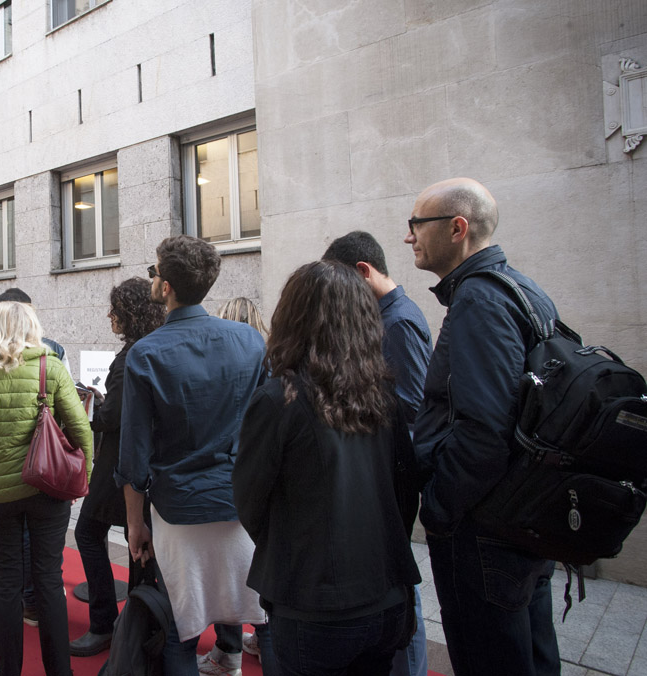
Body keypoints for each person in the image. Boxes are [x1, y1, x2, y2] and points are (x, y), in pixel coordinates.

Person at [233, 260, 421, 676]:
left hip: (316, 605)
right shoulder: (382, 392)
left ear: (292, 317)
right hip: (385, 593)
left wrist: (293, 544)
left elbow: (250, 500)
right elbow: (406, 490)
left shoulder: (280, 398)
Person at [407, 178, 560, 676]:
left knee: (492, 658)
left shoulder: (480, 300)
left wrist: (439, 510)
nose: (409, 236)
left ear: (457, 228)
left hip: (484, 529)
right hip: (515, 516)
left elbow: (483, 430)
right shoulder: (518, 287)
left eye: (416, 224)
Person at [115, 235, 269, 676]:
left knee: (179, 629)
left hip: (179, 510)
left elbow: (134, 456)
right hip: (239, 503)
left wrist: (134, 523)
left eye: (154, 271)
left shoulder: (146, 353)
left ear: (165, 286)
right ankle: (231, 656)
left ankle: (226, 655)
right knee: (257, 611)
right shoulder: (250, 341)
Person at [0, 301, 93, 676]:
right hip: (47, 489)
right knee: (49, 580)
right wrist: (87, 476)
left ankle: (7, 671)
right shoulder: (50, 368)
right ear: (32, 327)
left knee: (7, 583)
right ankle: (59, 671)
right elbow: (81, 429)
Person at [323, 230, 433, 676]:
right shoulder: (385, 318)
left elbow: (410, 408)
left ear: (363, 273)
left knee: (401, 588)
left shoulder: (399, 322)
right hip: (382, 474)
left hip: (392, 474)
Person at [70, 278, 165, 658]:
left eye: (115, 310)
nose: (110, 317)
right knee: (140, 547)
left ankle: (105, 624)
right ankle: (140, 629)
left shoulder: (131, 357)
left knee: (91, 533)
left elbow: (117, 416)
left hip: (120, 467)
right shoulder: (156, 346)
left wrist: (93, 406)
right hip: (145, 465)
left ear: (129, 313)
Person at [213, 297, 274, 672]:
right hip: (262, 473)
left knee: (228, 569)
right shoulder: (271, 358)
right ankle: (267, 642)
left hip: (226, 474)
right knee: (261, 564)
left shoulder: (219, 362)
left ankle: (229, 650)